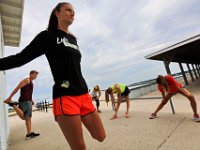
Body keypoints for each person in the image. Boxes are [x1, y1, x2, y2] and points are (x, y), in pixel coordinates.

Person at [0, 2, 105, 149]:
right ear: (57, 13)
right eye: (68, 10)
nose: (72, 13)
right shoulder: (47, 36)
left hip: (83, 95)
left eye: (73, 11)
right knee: (79, 147)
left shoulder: (73, 39)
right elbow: (20, 58)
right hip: (65, 97)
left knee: (100, 136)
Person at [4, 70, 40, 139]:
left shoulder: (31, 82)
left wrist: (31, 100)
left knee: (27, 118)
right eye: (35, 74)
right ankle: (13, 104)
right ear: (30, 74)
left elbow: (29, 93)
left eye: (36, 75)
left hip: (27, 101)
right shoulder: (26, 80)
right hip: (25, 101)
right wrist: (9, 98)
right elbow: (17, 88)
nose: (36, 76)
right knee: (26, 118)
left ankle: (29, 133)